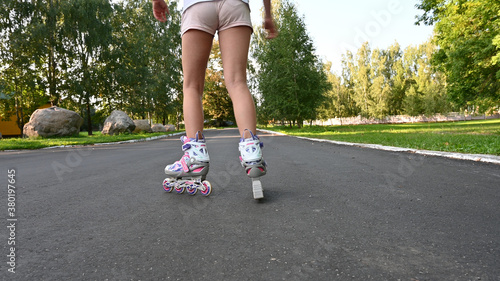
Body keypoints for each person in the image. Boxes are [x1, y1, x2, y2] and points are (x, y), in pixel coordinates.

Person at [152, 0, 277, 199]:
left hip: (198, 5)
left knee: (192, 86)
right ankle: (252, 152)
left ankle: (195, 157)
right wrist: (268, 14)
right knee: (237, 82)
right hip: (236, 5)